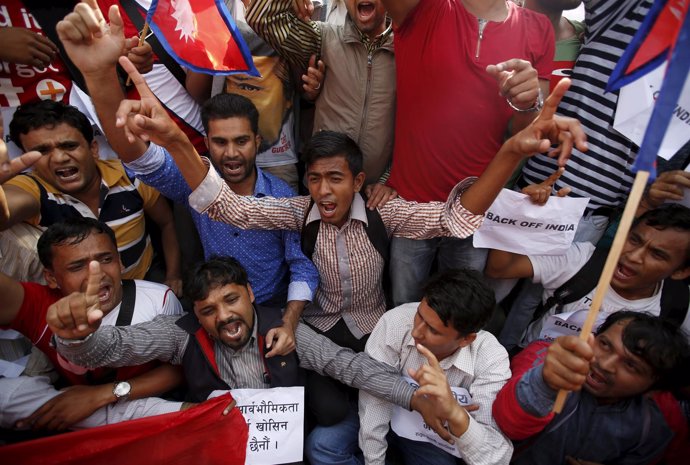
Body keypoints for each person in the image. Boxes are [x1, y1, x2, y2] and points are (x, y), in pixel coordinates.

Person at [55, 3, 319, 355]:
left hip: (273, 314)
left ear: (257, 142)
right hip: (215, 321)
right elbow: (138, 155)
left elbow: (301, 266)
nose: (231, 153)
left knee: (330, 410)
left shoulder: (284, 196)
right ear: (206, 143)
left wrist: (288, 321)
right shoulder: (194, 183)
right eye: (220, 142)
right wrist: (100, 75)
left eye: (241, 141)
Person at [49, 256, 426, 429]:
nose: (224, 317)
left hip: (285, 437)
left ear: (249, 294)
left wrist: (416, 397)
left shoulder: (282, 328)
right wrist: (78, 338)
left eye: (231, 300)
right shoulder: (181, 333)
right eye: (209, 310)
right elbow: (116, 346)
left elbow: (348, 365)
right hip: (222, 439)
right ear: (196, 313)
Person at [378, 0, 554, 305]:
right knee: (403, 310)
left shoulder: (538, 28)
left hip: (476, 210)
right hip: (412, 204)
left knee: (457, 315)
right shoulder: (424, 8)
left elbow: (526, 131)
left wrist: (528, 101)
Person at [309, 269, 511, 465]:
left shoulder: (490, 357)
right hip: (382, 411)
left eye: (433, 330)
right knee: (321, 446)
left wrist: (455, 414)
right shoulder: (397, 321)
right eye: (419, 315)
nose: (416, 332)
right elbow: (374, 399)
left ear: (466, 339)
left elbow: (497, 458)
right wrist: (374, 461)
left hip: (431, 436)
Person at [0, 217, 184, 431]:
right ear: (51, 278)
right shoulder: (38, 305)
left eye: (106, 259)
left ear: (120, 261)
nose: (96, 274)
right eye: (77, 266)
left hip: (146, 414)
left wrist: (101, 395)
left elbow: (181, 370)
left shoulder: (159, 299)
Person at [1, 100, 182, 291]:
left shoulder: (130, 175)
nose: (60, 158)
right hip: (76, 301)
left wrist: (173, 275)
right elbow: (5, 212)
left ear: (94, 148)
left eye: (69, 146)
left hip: (143, 282)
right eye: (42, 151)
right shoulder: (33, 188)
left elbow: (167, 223)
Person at [492, 311, 690, 464]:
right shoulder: (549, 359)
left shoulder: (653, 426)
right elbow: (507, 425)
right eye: (604, 344)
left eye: (631, 365)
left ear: (654, 387)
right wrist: (545, 383)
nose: (605, 364)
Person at [485, 204, 690, 346]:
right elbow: (500, 268)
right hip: (529, 366)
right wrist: (520, 214)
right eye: (634, 240)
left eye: (657, 254)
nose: (634, 256)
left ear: (681, 272)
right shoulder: (582, 260)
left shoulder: (673, 308)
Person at [247, 0, 396, 187]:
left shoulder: (405, 48)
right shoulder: (324, 38)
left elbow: (414, 131)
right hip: (322, 189)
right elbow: (261, 18)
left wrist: (389, 181)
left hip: (376, 195)